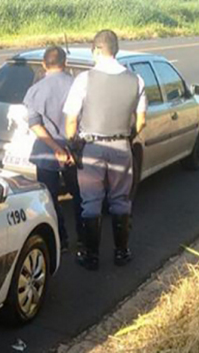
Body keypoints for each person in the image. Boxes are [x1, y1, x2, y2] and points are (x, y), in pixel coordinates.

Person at [64, 30, 147, 270]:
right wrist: (126, 137)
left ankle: (91, 256)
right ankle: (121, 252)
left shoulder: (84, 79)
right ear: (116, 49)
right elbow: (141, 121)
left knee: (91, 201)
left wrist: (73, 144)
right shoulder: (136, 80)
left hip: (92, 147)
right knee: (121, 200)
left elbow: (71, 120)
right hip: (121, 145)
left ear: (97, 50)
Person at [24, 46, 83, 251]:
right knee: (80, 196)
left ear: (43, 64)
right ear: (65, 63)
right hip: (75, 152)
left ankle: (61, 240)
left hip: (46, 153)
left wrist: (55, 148)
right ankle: (84, 237)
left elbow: (34, 124)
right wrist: (68, 147)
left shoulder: (35, 90)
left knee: (50, 199)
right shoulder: (77, 86)